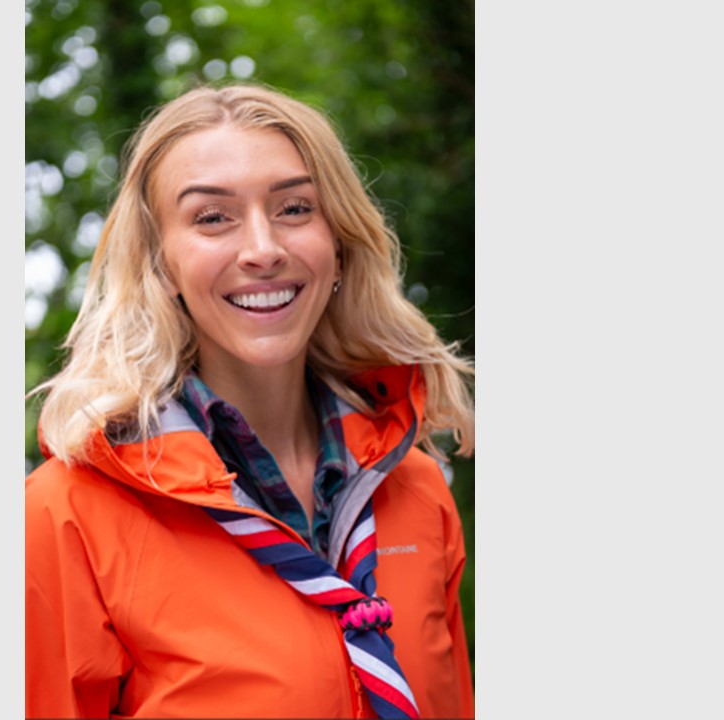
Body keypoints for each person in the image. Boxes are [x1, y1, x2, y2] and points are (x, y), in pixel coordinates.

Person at [26, 83, 475, 719]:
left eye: (294, 209)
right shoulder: (68, 513)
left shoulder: (417, 489)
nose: (263, 249)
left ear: (339, 243)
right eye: (212, 218)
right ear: (161, 264)